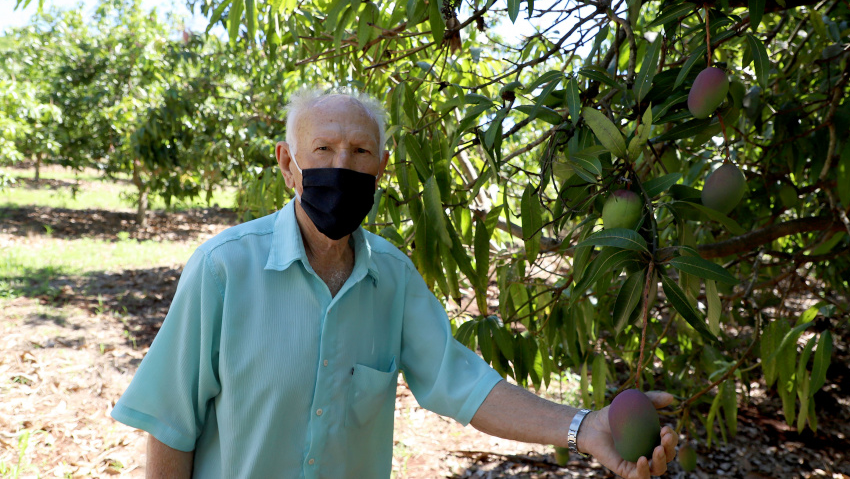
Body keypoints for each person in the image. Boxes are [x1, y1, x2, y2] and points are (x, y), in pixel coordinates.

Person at [111, 88, 679, 479]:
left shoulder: (393, 278)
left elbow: (462, 383)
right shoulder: (222, 269)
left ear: (382, 166)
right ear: (288, 165)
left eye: (359, 152)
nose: (343, 165)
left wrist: (585, 426)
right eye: (324, 150)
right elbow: (170, 424)